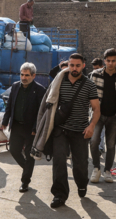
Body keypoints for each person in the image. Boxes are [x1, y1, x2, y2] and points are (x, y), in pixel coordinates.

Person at [42, 54, 100, 209]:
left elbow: (96, 109)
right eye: (71, 65)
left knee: (80, 164)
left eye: (77, 65)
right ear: (67, 65)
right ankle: (59, 195)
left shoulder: (89, 85)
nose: (74, 68)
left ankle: (82, 183)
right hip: (60, 129)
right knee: (59, 161)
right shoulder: (59, 82)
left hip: (80, 130)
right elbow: (48, 103)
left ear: (83, 65)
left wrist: (92, 126)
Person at [1, 63, 46, 192]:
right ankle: (27, 168)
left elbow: (41, 112)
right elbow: (9, 105)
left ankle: (25, 182)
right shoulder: (15, 87)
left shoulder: (40, 90)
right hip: (16, 126)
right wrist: (5, 121)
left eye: (27, 75)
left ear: (33, 75)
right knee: (14, 151)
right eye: (22, 74)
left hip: (30, 129)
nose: (24, 77)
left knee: (29, 154)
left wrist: (35, 128)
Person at [89, 49, 116, 184]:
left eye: (113, 61)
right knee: (94, 142)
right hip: (97, 115)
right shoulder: (95, 75)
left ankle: (108, 171)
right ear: (104, 61)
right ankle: (96, 168)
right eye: (108, 61)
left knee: (111, 145)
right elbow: (89, 94)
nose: (111, 63)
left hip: (114, 116)